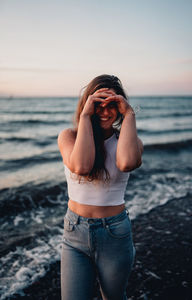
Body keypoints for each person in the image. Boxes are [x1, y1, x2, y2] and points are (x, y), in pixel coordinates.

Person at [57, 74, 143, 300]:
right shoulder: (68, 137)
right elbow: (82, 166)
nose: (105, 112)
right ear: (87, 103)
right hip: (75, 232)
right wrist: (85, 115)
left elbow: (126, 163)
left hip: (114, 233)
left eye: (112, 105)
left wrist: (130, 114)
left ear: (120, 106)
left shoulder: (131, 142)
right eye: (98, 105)